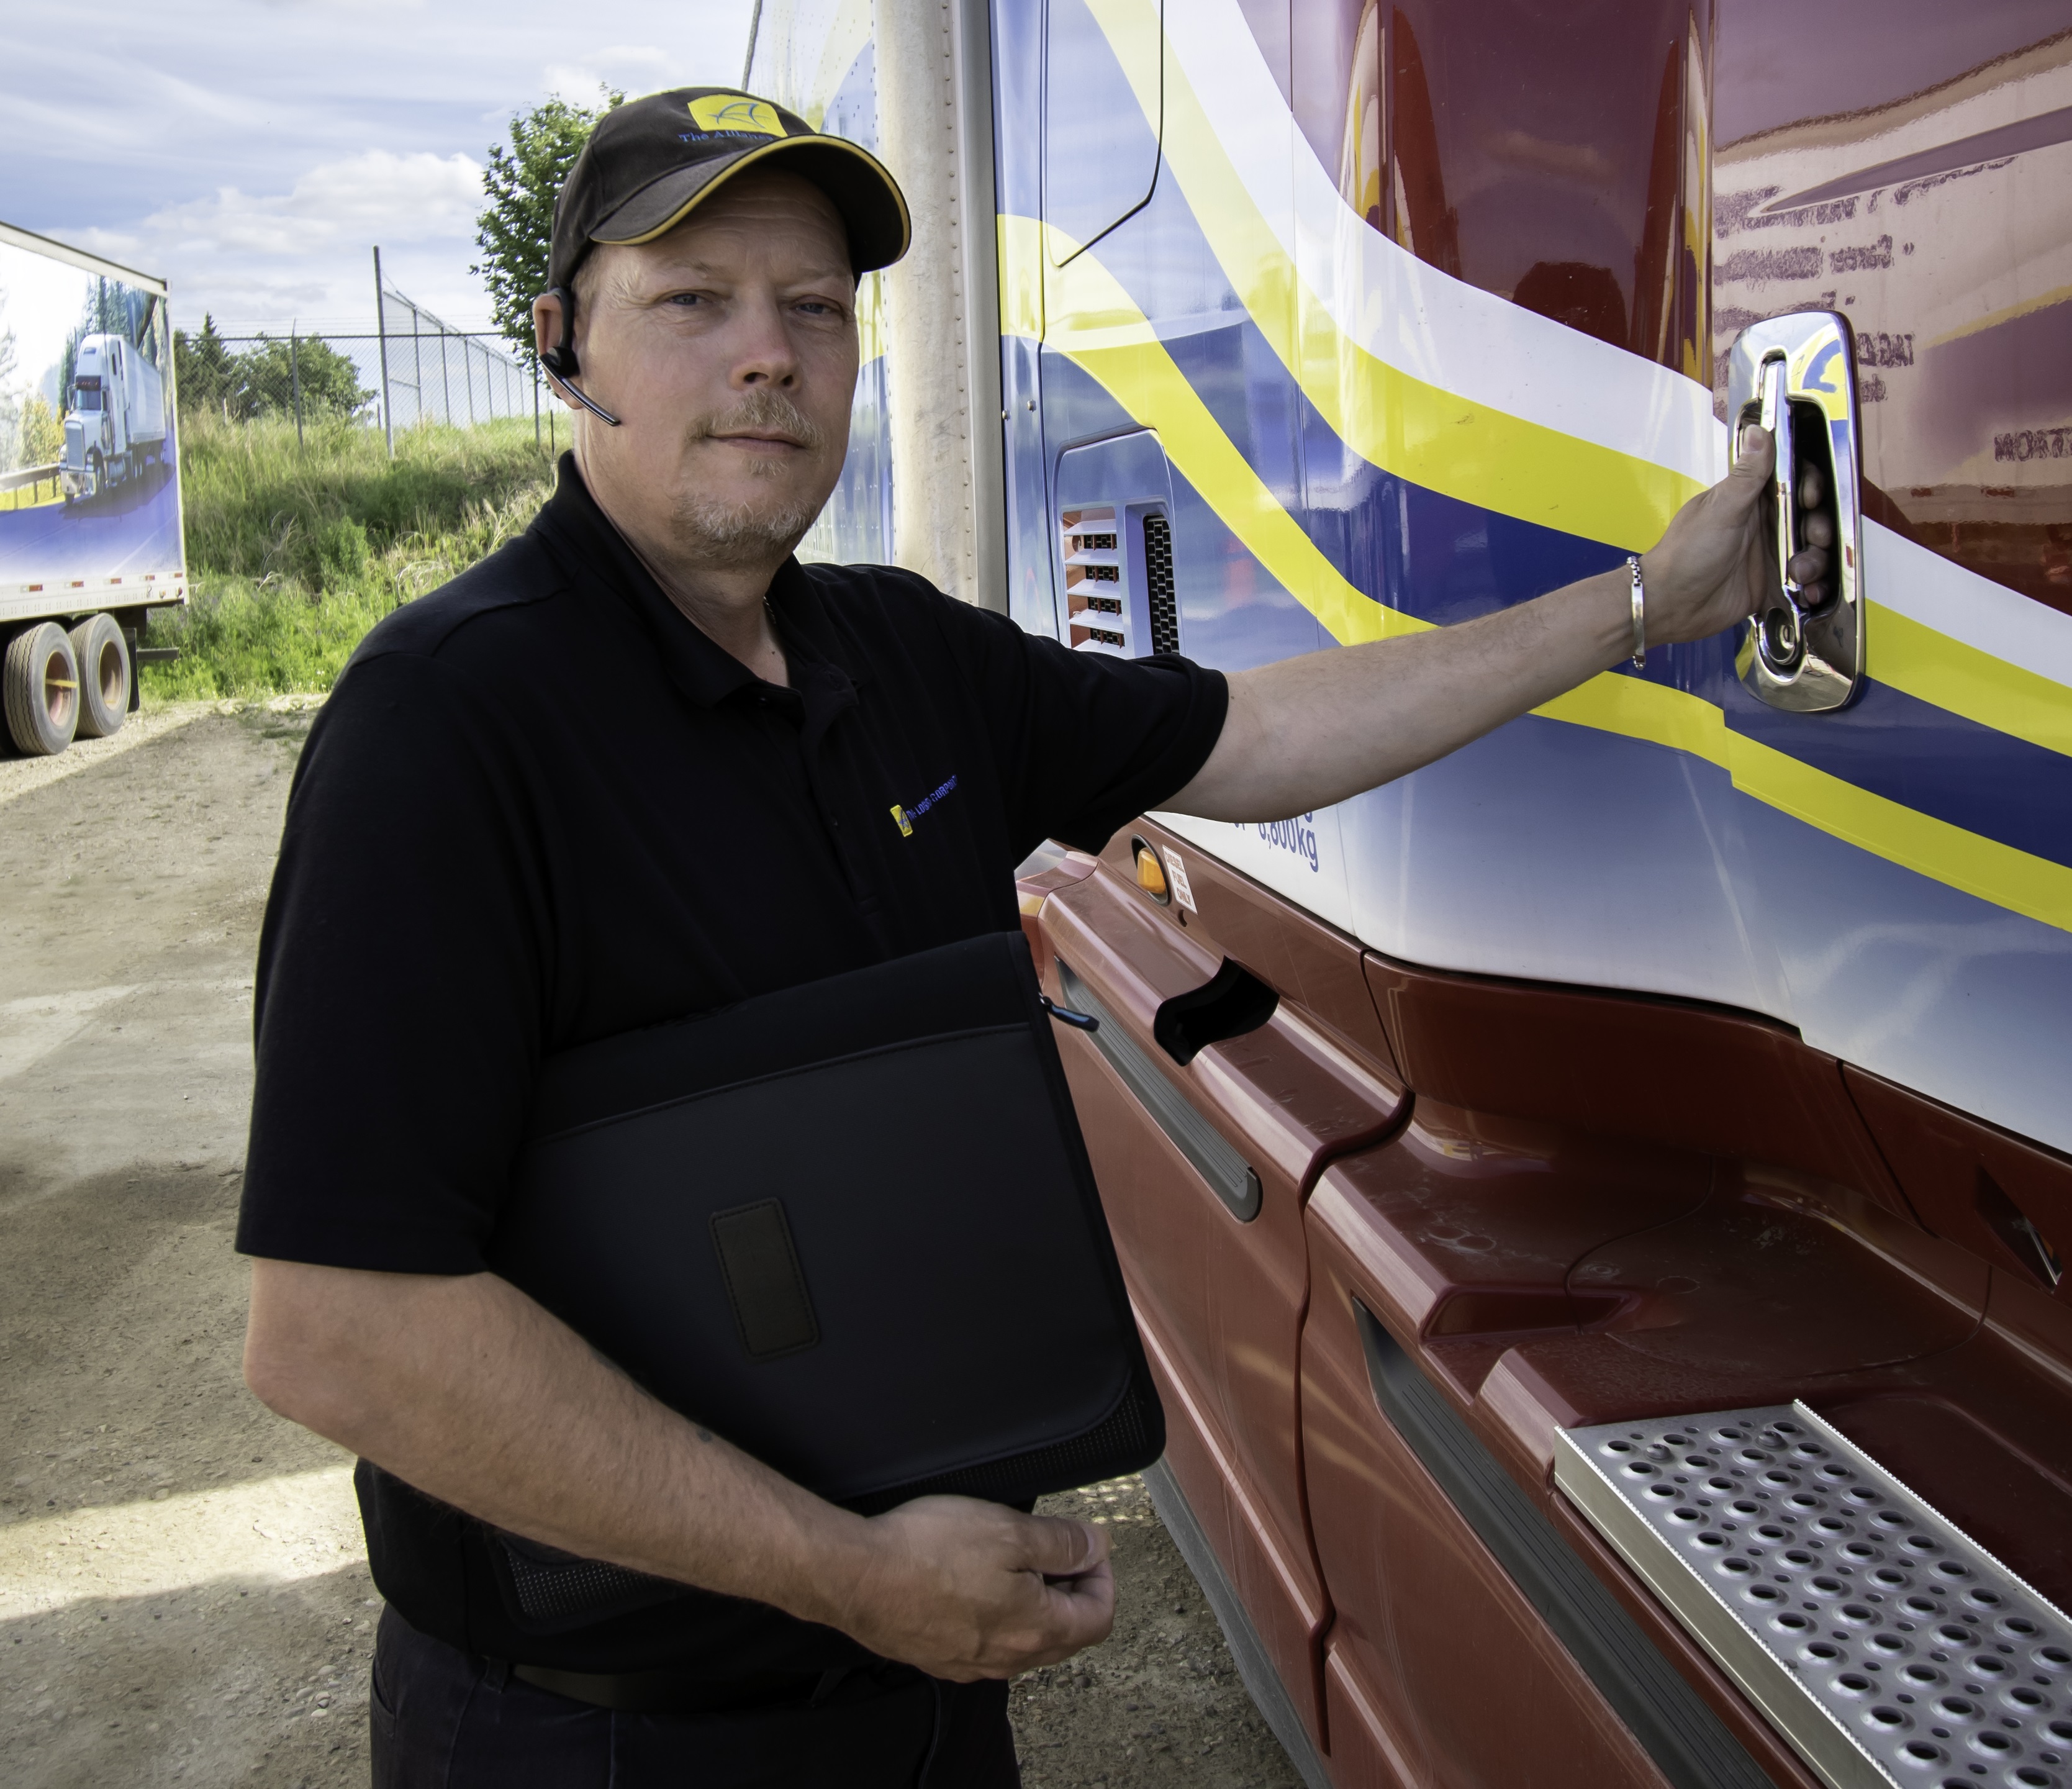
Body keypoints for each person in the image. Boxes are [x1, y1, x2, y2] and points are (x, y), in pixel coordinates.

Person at [236, 86, 1817, 1789]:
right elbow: (340, 1324)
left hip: (920, 1695)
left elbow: (1263, 735)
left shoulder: (902, 657)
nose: (768, 354)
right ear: (565, 345)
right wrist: (843, 1574)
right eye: (692, 300)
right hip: (593, 1735)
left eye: (818, 307)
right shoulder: (446, 728)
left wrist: (1648, 602)